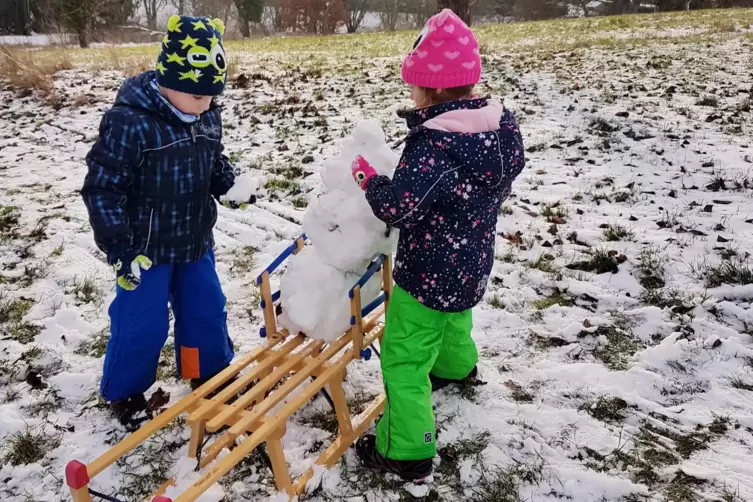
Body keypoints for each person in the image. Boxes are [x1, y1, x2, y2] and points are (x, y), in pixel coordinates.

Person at [350, 9, 526, 481]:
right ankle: (456, 369)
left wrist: (370, 181)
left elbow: (401, 208)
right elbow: (513, 167)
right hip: (472, 260)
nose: (410, 93)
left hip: (425, 272)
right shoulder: (501, 131)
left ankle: (406, 449)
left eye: (413, 86)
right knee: (456, 319)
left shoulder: (432, 147)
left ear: (427, 89)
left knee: (405, 354)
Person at [82, 15, 253, 431]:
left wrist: (228, 185)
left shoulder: (207, 114)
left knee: (205, 310)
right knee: (142, 321)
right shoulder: (131, 121)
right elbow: (102, 186)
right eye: (197, 95)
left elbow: (213, 160)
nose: (207, 103)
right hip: (144, 250)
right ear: (167, 80)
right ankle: (125, 391)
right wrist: (119, 246)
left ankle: (204, 370)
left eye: (212, 94)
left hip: (195, 240)